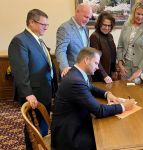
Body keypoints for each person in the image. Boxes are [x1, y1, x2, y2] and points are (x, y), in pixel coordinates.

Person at [51, 47, 135, 150]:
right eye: (96, 63)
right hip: (70, 135)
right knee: (109, 139)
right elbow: (99, 111)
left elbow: (90, 87)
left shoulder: (76, 73)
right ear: (86, 60)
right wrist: (124, 106)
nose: (98, 67)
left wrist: (107, 94)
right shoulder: (75, 80)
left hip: (75, 122)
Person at [8, 9, 57, 149]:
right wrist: (28, 93)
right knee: (32, 128)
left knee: (41, 125)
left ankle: (39, 145)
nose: (46, 28)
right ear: (31, 22)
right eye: (43, 24)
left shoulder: (37, 40)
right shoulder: (20, 41)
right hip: (33, 93)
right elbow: (20, 70)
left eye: (47, 25)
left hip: (45, 90)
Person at [117, 0, 143, 82]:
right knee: (124, 90)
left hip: (141, 68)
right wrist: (120, 65)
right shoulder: (126, 25)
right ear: (134, 12)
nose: (140, 17)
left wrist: (139, 71)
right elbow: (120, 46)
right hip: (125, 66)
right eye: (138, 14)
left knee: (138, 93)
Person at [56, 2, 92, 77]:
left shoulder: (86, 28)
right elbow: (60, 50)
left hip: (85, 72)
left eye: (89, 18)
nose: (87, 20)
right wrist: (65, 68)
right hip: (72, 73)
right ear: (77, 12)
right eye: (85, 17)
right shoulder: (65, 28)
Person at [90, 11, 117, 83]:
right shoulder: (94, 36)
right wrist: (104, 75)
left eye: (109, 25)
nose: (107, 28)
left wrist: (114, 70)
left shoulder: (110, 36)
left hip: (109, 73)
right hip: (99, 74)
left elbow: (113, 54)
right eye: (104, 25)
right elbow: (95, 59)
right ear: (99, 24)